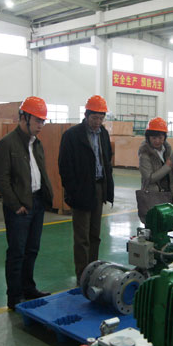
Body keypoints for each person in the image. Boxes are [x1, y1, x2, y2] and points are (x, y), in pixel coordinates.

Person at [0, 97, 53, 309]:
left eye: (43, 121)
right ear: (24, 118)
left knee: (32, 249)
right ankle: (14, 295)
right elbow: (1, 177)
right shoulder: (7, 144)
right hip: (20, 207)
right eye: (37, 120)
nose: (40, 125)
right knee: (17, 252)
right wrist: (14, 204)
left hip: (37, 203)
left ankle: (28, 288)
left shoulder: (37, 144)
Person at [59, 95, 114, 282]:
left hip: (99, 188)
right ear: (86, 115)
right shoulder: (72, 135)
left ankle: (93, 272)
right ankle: (82, 276)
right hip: (81, 190)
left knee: (95, 235)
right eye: (94, 118)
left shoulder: (103, 134)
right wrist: (73, 191)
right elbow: (65, 167)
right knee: (82, 237)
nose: (98, 122)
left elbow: (107, 160)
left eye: (101, 118)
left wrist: (107, 188)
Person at [137, 117, 173, 222]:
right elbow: (149, 178)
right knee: (155, 225)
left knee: (168, 224)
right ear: (148, 137)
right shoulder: (144, 154)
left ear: (165, 137)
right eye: (154, 138)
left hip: (169, 195)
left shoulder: (168, 151)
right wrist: (166, 167)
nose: (157, 141)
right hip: (153, 197)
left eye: (161, 138)